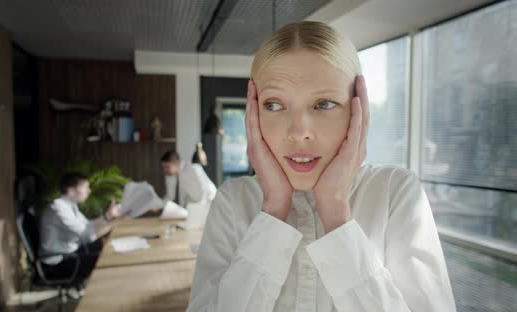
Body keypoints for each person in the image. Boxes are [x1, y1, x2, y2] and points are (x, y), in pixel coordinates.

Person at [187, 21, 455, 311]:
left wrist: (337, 214)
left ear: (359, 112)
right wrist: (274, 209)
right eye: (275, 105)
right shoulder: (231, 202)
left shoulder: (397, 193)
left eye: (324, 104)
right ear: (254, 115)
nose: (299, 131)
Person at [38, 172, 124, 282]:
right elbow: (87, 236)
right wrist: (117, 221)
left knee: (105, 244)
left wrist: (108, 215)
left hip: (69, 254)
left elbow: (88, 226)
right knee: (106, 257)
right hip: (56, 264)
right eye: (85, 187)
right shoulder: (58, 208)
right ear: (71, 190)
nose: (89, 191)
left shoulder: (69, 205)